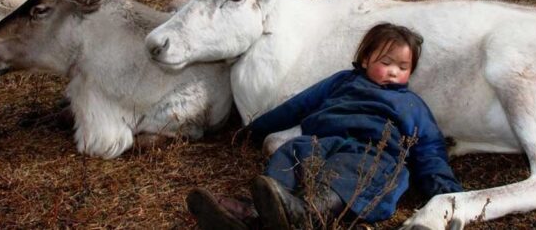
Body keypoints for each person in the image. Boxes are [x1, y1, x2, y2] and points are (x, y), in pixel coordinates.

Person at [188, 23, 462, 230]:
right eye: (385, 62)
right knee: (291, 151)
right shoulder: (342, 82)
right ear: (366, 60)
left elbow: (430, 149)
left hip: (372, 154)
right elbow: (298, 106)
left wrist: (448, 193)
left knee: (355, 169)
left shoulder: (412, 104)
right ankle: (260, 213)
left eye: (403, 67)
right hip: (321, 142)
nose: (393, 71)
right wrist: (252, 130)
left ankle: (306, 214)